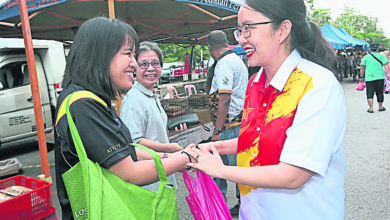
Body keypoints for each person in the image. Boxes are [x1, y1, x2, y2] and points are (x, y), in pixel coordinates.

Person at [186, 0, 347, 219]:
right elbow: (256, 141)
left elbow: (294, 174)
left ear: (282, 30)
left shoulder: (317, 85)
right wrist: (214, 147)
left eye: (248, 28)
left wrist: (219, 169)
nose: (241, 39)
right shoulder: (255, 82)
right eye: (239, 30)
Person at [54, 17, 193, 220]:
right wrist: (185, 159)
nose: (134, 64)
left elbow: (125, 149)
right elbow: (130, 172)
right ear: (100, 55)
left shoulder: (89, 98)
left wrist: (170, 157)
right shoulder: (83, 104)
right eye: (128, 54)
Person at [120, 41, 185, 193]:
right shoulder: (133, 100)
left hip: (161, 173)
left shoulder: (150, 95)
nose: (150, 68)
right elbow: (133, 142)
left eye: (155, 63)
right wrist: (170, 148)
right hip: (149, 182)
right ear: (135, 68)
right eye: (143, 64)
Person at [206, 30, 248, 217]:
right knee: (238, 166)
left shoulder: (224, 64)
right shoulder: (237, 60)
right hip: (236, 121)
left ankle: (222, 203)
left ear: (210, 47)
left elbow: (224, 98)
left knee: (226, 167)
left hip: (229, 124)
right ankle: (240, 202)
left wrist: (217, 129)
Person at [360, 42, 390, 113]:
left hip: (369, 78)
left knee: (369, 93)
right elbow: (386, 65)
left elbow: (362, 68)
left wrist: (361, 77)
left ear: (369, 49)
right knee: (380, 92)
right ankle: (380, 107)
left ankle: (371, 108)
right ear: (377, 49)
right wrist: (388, 73)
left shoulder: (366, 57)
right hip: (380, 78)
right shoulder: (382, 56)